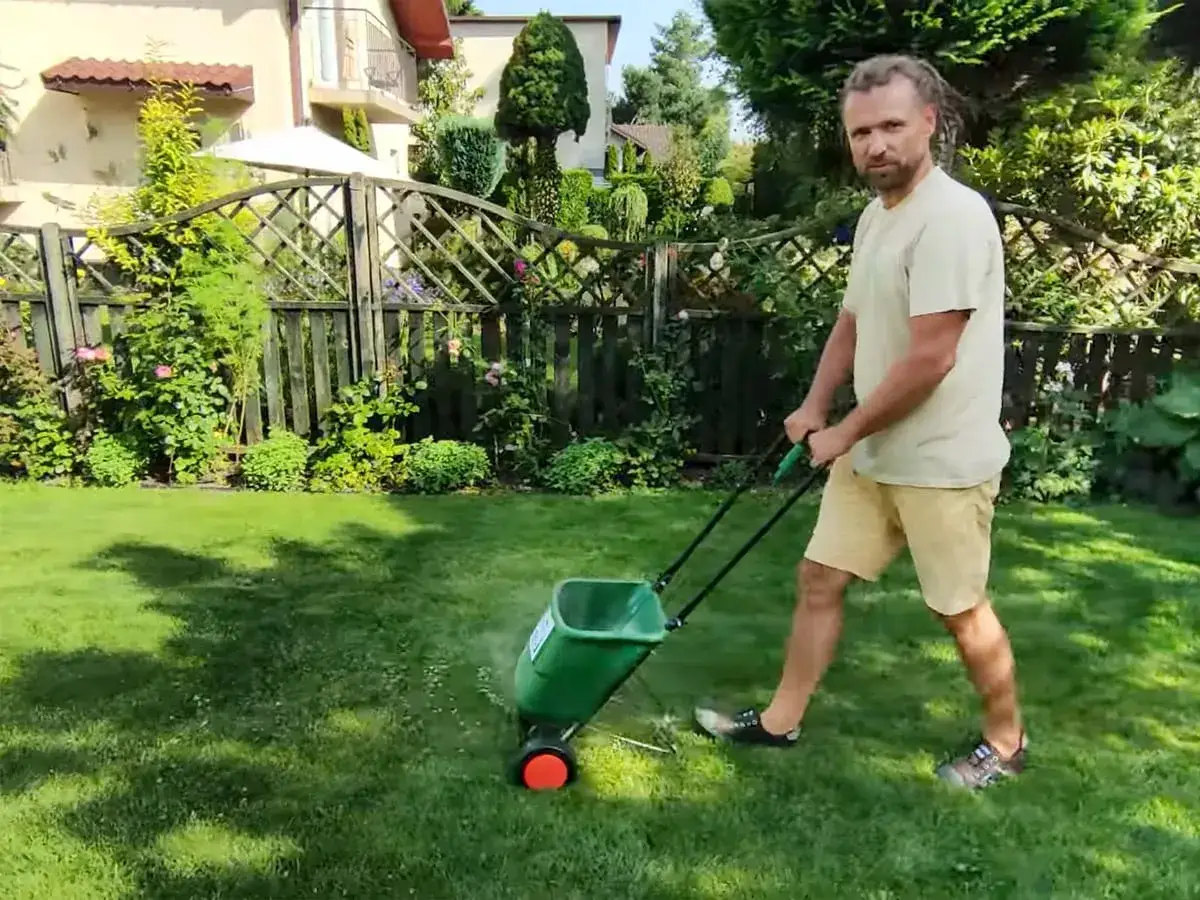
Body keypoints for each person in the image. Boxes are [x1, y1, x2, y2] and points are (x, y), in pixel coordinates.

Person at [693, 54, 1027, 791]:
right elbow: (852, 320)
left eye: (891, 127)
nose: (875, 146)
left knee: (960, 610)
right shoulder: (880, 216)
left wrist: (843, 430)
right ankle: (781, 721)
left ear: (931, 124)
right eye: (861, 132)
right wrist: (817, 404)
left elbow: (930, 359)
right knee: (818, 578)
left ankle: (1006, 742)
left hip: (942, 461)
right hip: (874, 452)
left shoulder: (953, 219)